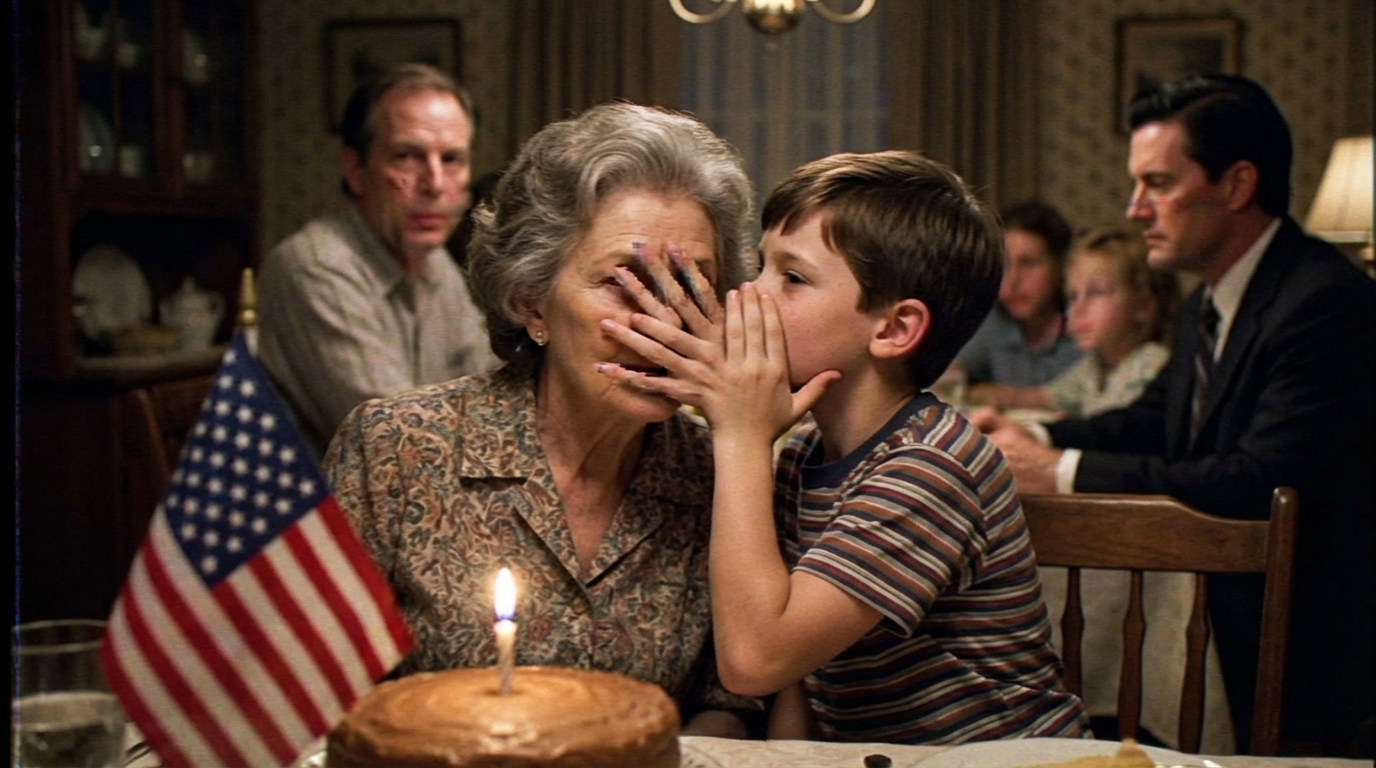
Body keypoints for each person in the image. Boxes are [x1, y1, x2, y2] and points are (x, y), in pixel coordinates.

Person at [597, 151, 1088, 744]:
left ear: (893, 329)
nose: (750, 296)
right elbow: (802, 679)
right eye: (761, 266)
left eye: (793, 278)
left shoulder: (932, 465)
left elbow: (756, 660)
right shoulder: (807, 451)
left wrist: (741, 433)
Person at [323, 102, 763, 737]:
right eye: (625, 283)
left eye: (692, 285)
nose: (663, 322)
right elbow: (312, 697)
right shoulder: (396, 449)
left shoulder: (721, 472)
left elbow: (731, 702)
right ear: (532, 300)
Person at [972, 75, 1374, 756]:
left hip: (1302, 645)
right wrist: (1034, 434)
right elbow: (1148, 420)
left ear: (1237, 185)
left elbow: (1259, 479)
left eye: (1157, 183)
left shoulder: (1323, 300)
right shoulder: (1207, 302)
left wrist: (1061, 472)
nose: (1135, 208)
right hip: (1219, 618)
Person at [258, 63, 498, 458]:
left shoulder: (436, 262)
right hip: (333, 511)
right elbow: (396, 440)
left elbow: (490, 387)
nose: (435, 184)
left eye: (452, 159)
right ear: (355, 169)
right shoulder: (315, 267)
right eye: (407, 156)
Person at [967, 226, 1181, 418]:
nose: (1077, 309)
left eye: (1096, 293)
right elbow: (1041, 398)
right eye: (1073, 296)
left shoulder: (1151, 366)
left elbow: (1111, 432)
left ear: (1143, 306)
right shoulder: (1094, 367)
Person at [955, 200, 1082, 392]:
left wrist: (999, 395)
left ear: (1061, 266)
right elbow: (949, 376)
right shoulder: (994, 318)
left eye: (1029, 263)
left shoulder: (1085, 319)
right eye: (1004, 265)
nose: (1012, 281)